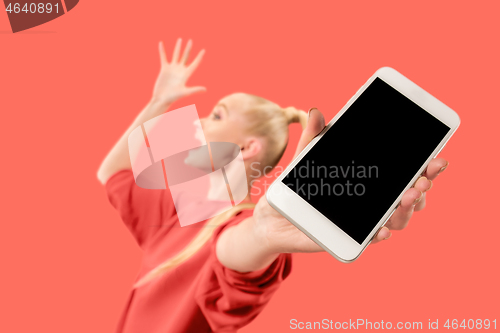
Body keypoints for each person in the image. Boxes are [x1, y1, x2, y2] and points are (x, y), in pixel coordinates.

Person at [97, 39, 449, 333]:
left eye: (216, 115)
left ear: (249, 148)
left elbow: (237, 253)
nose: (196, 120)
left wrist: (263, 235)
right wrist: (159, 101)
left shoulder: (241, 232)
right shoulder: (178, 213)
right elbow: (112, 173)